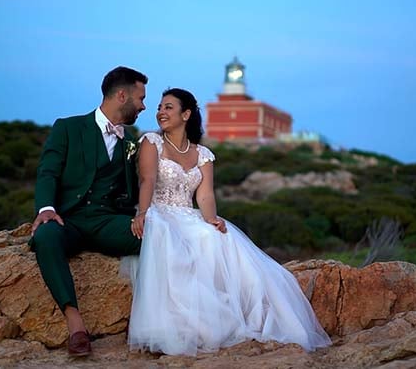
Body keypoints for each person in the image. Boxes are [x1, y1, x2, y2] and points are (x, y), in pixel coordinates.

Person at [124, 88, 331, 356]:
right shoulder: (151, 142)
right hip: (159, 210)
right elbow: (148, 180)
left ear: (186, 114)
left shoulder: (203, 154)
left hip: (188, 213)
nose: (161, 112)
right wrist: (142, 212)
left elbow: (205, 194)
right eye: (160, 107)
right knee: (170, 241)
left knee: (216, 236)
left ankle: (240, 316)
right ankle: (182, 324)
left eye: (168, 107)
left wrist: (211, 218)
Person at [29, 66, 148, 357]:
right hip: (68, 220)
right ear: (122, 95)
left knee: (160, 238)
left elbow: (142, 184)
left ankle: (148, 320)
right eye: (141, 98)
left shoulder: (132, 142)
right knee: (46, 237)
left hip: (109, 222)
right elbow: (48, 172)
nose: (144, 106)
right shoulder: (68, 128)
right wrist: (46, 208)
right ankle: (75, 324)